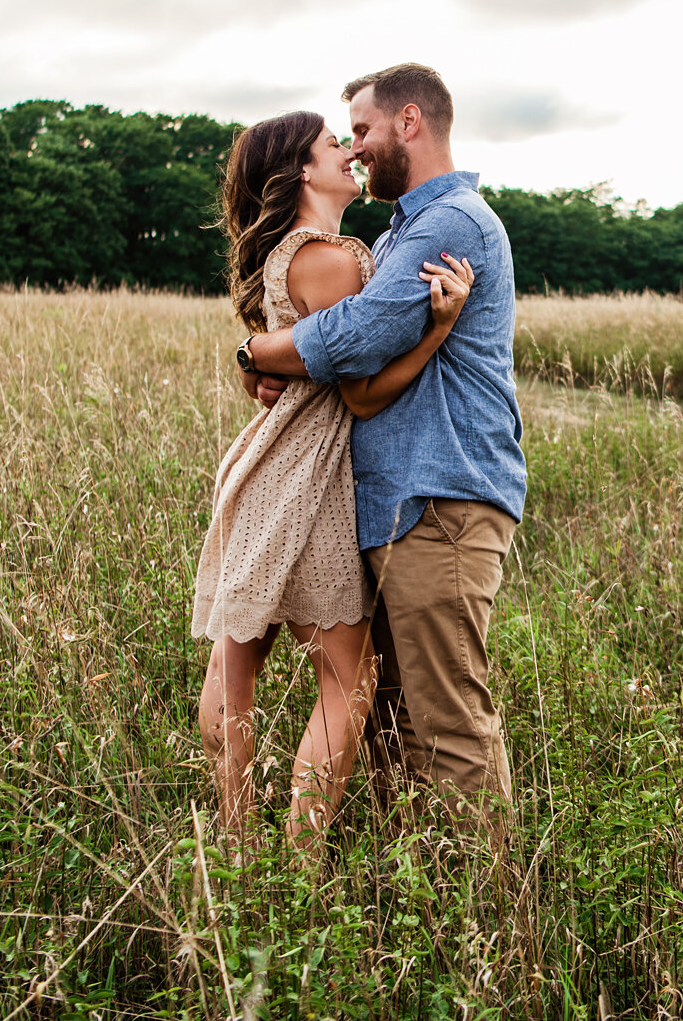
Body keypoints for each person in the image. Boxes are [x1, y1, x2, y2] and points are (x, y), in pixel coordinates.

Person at [239, 62, 527, 840]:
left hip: (443, 498)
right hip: (402, 505)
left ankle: (483, 914)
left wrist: (256, 349)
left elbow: (357, 335)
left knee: (448, 720)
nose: (356, 148)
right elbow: (357, 371)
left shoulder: (450, 223)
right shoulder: (401, 229)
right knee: (393, 721)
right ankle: (415, 896)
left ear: (409, 123)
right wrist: (268, 360)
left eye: (361, 130)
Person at [195, 109, 476, 852]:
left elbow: (290, 360)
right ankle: (295, 851)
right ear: (300, 173)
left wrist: (254, 358)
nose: (350, 151)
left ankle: (235, 843)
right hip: (304, 478)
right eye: (333, 144)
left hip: (268, 468)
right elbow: (359, 393)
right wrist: (441, 329)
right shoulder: (331, 257)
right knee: (348, 684)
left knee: (236, 660)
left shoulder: (310, 253)